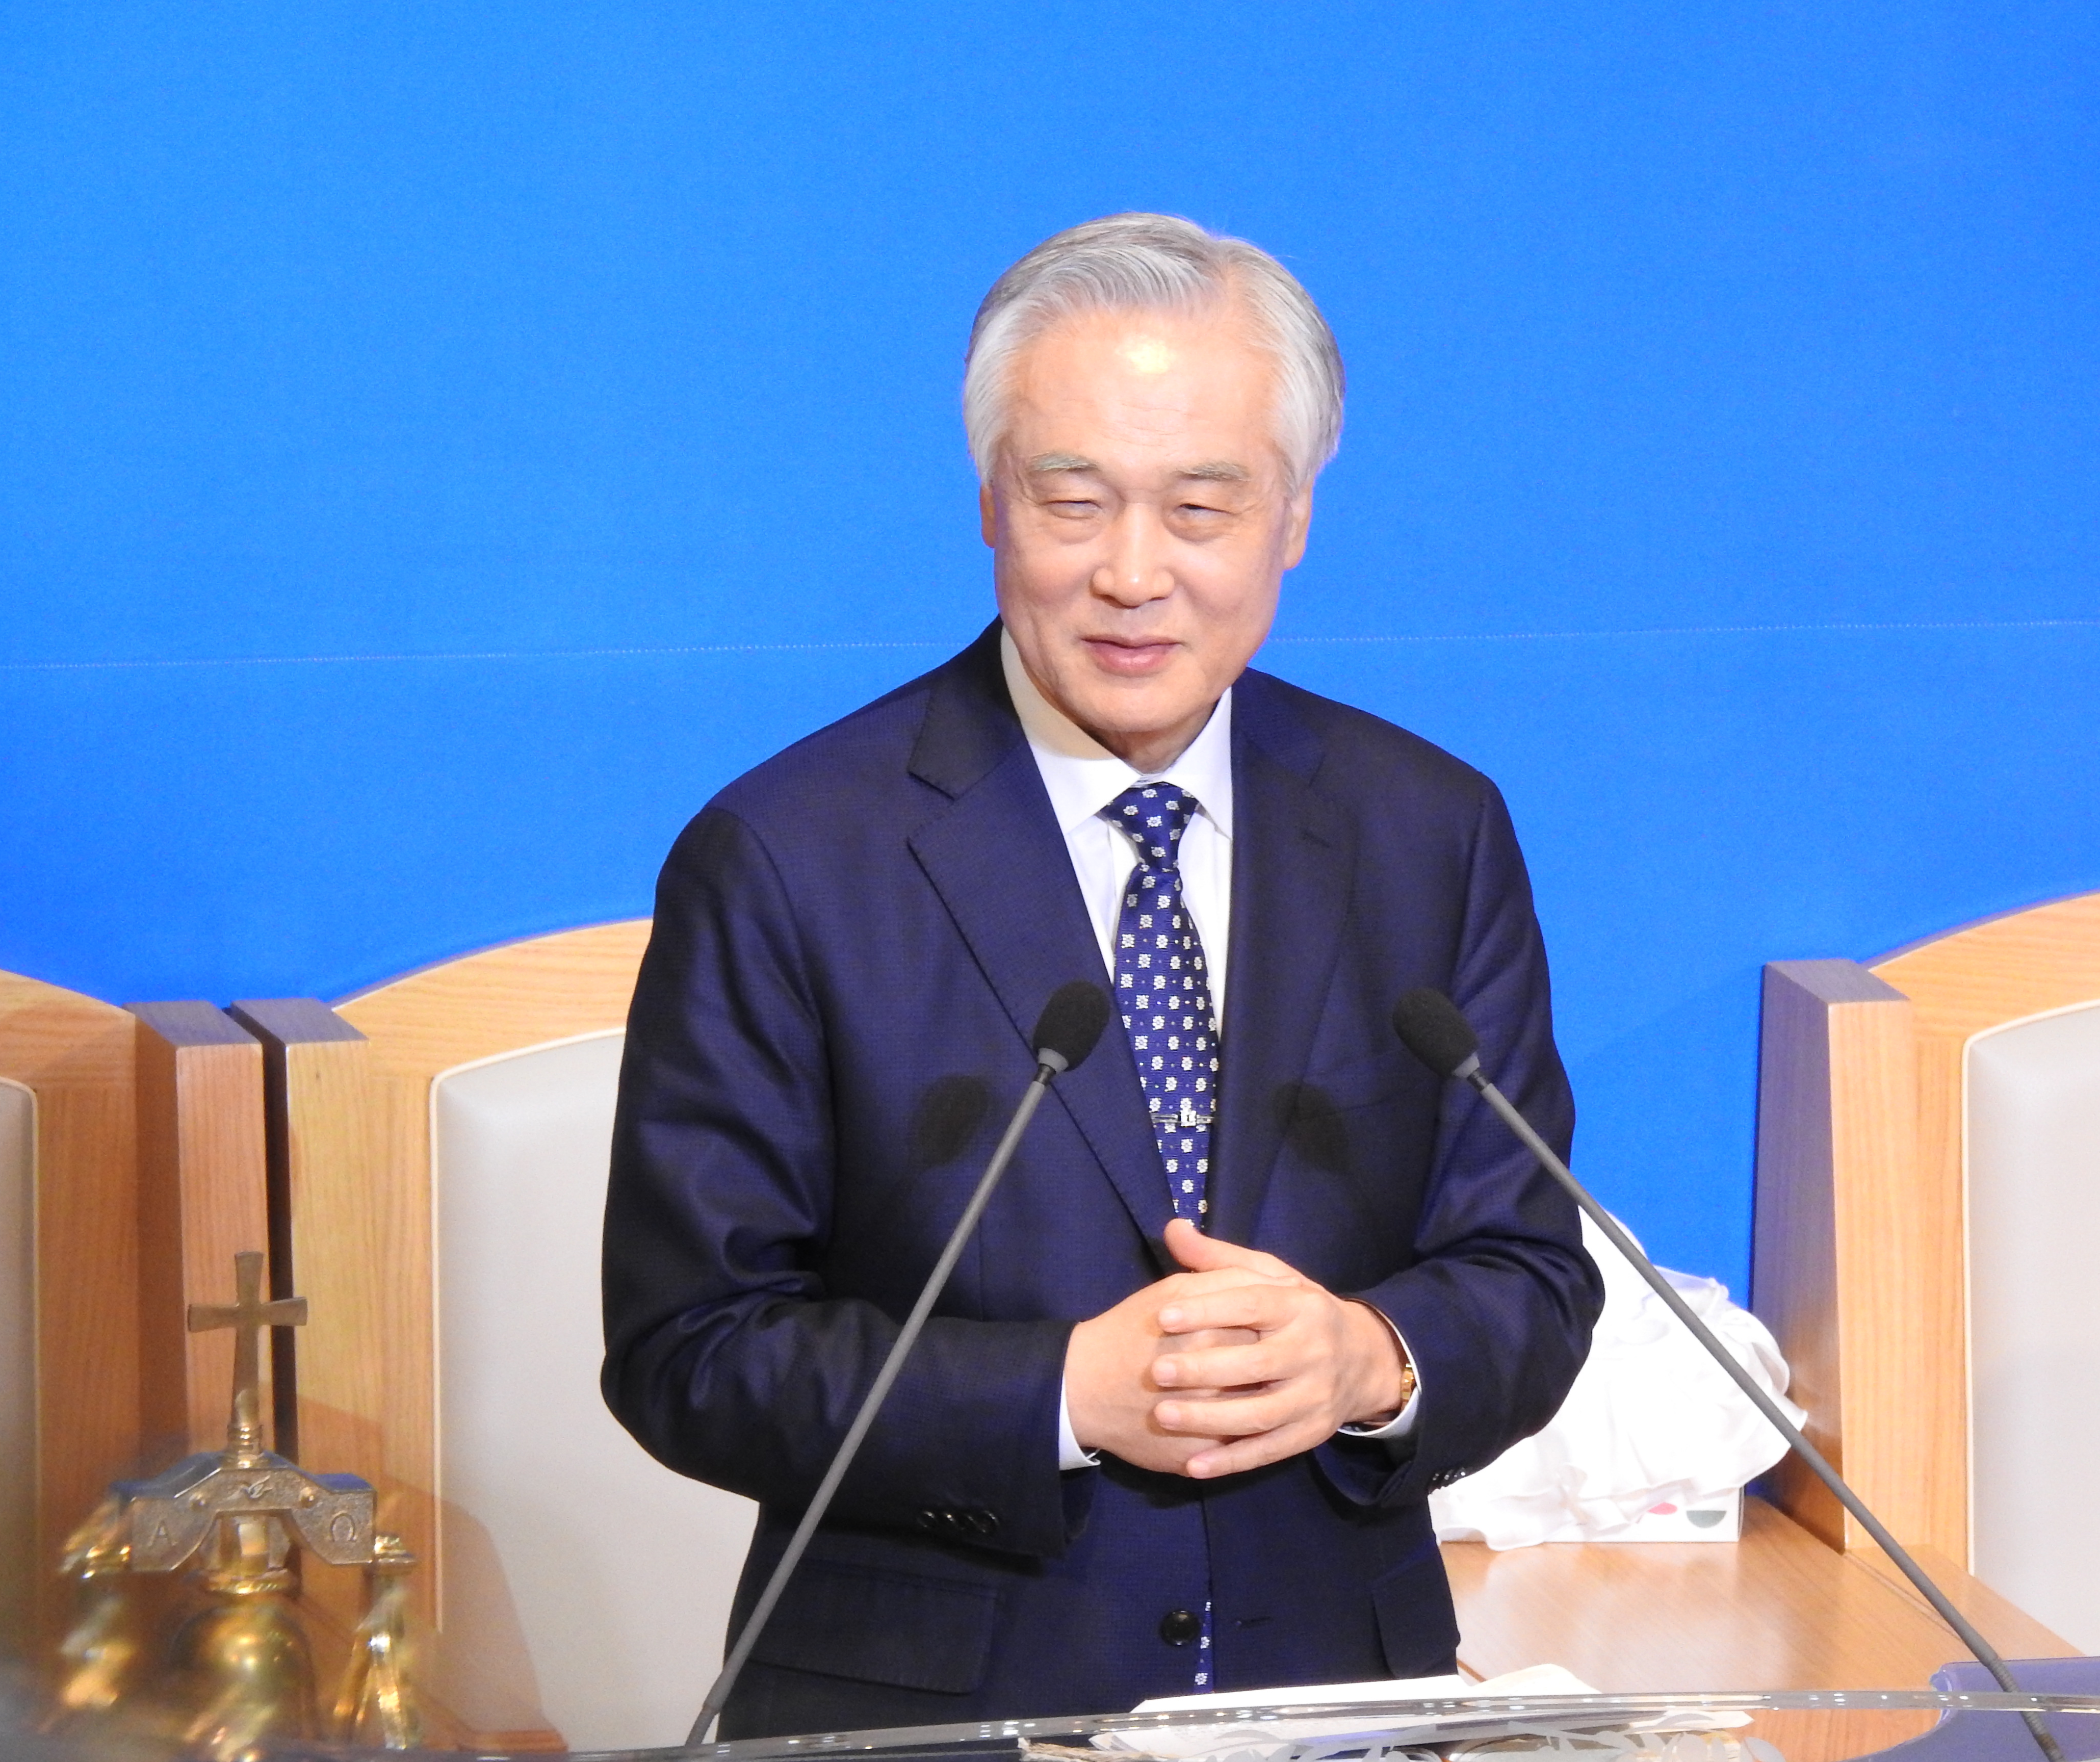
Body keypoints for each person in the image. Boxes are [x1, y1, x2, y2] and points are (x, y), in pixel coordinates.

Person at [601, 213, 1602, 1739]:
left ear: (1293, 517)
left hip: (1337, 1696)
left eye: (1201, 507)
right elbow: (692, 1348)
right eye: (1073, 502)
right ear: (991, 505)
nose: (1133, 574)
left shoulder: (1428, 830)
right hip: (929, 1717)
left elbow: (1528, 1273)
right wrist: (1060, 1393)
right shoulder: (789, 855)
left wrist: (1371, 1359)